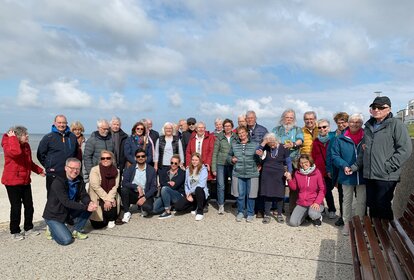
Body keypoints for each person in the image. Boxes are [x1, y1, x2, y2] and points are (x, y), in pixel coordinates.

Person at [350, 96, 412, 220]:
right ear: (370, 110)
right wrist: (355, 166)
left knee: (383, 205)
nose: (377, 110)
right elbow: (364, 149)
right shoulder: (368, 126)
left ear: (388, 109)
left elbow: (405, 149)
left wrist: (388, 166)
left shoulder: (396, 125)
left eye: (381, 107)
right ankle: (375, 234)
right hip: (370, 175)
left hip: (386, 176)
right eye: (374, 107)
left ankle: (387, 235)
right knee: (372, 206)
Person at [2, 126, 45, 240]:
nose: (28, 136)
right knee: (16, 207)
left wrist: (39, 171)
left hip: (25, 180)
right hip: (12, 181)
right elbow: (15, 153)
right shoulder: (8, 144)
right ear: (17, 136)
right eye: (25, 134)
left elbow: (29, 162)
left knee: (29, 205)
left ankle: (28, 228)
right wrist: (12, 139)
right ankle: (15, 231)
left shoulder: (26, 146)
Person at [43, 158, 98, 245]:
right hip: (54, 215)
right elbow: (66, 202)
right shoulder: (58, 182)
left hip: (68, 212)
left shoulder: (79, 179)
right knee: (66, 240)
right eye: (71, 168)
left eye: (77, 169)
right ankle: (51, 229)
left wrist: (89, 203)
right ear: (65, 168)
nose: (75, 171)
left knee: (90, 208)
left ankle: (76, 230)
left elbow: (83, 195)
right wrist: (85, 206)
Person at [332, 114, 366, 235]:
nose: (355, 124)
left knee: (361, 201)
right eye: (352, 121)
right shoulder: (340, 138)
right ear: (348, 123)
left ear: (362, 123)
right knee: (347, 200)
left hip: (362, 174)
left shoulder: (366, 136)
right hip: (346, 174)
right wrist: (344, 165)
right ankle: (346, 223)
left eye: (358, 122)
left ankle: (359, 223)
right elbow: (335, 156)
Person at [272, 109, 303, 215]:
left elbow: (300, 140)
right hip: (279, 161)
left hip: (293, 160)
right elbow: (271, 140)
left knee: (293, 186)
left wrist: (293, 144)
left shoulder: (297, 129)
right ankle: (277, 207)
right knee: (277, 184)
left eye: (291, 117)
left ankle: (293, 209)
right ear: (283, 118)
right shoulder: (276, 129)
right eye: (287, 117)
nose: (289, 120)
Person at [37, 115, 78, 197]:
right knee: (53, 198)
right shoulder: (48, 137)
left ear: (67, 123)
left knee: (68, 197)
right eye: (59, 122)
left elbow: (75, 153)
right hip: (53, 173)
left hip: (69, 173)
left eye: (64, 123)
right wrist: (49, 166)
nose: (61, 125)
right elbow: (40, 154)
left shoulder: (72, 137)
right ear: (54, 123)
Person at [256, 133, 292, 224]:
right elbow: (257, 151)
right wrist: (264, 142)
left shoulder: (283, 148)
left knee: (279, 194)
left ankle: (279, 214)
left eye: (273, 142)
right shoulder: (266, 147)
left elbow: (288, 162)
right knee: (267, 194)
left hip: (279, 173)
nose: (272, 145)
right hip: (266, 173)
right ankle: (267, 214)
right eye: (270, 143)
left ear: (277, 140)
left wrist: (290, 172)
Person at [228, 126, 261, 222]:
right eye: (239, 133)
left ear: (247, 133)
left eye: (243, 132)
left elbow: (259, 159)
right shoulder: (234, 145)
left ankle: (250, 213)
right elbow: (228, 156)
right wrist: (231, 159)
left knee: (251, 194)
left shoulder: (255, 144)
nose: (241, 135)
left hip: (252, 173)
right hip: (238, 173)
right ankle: (240, 212)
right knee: (240, 194)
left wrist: (259, 161)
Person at [286, 154, 326, 227]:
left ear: (310, 162)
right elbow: (294, 188)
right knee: (293, 223)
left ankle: (318, 217)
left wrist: (317, 202)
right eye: (301, 163)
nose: (304, 164)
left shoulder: (317, 173)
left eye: (306, 162)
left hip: (314, 202)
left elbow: (322, 189)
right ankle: (306, 215)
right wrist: (289, 179)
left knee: (313, 214)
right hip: (302, 202)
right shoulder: (297, 173)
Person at [121, 148, 157, 222]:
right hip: (134, 193)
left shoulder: (151, 170)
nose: (140, 158)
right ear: (135, 158)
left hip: (145, 194)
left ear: (146, 157)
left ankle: (142, 207)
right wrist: (136, 186)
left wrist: (145, 197)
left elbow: (154, 187)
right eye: (138, 156)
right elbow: (124, 182)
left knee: (148, 208)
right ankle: (127, 212)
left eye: (143, 156)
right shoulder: (131, 168)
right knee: (124, 190)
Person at [326, 112, 349, 226]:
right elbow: (329, 153)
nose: (341, 125)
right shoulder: (333, 135)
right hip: (338, 170)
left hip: (352, 168)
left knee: (356, 195)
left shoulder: (352, 133)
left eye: (343, 122)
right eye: (338, 123)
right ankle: (343, 217)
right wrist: (329, 169)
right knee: (341, 194)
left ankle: (357, 218)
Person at [88, 150, 120, 229]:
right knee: (98, 225)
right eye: (103, 158)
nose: (105, 160)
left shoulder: (116, 171)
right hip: (98, 197)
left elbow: (115, 186)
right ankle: (105, 218)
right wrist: (107, 199)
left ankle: (112, 219)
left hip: (111, 196)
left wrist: (109, 199)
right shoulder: (94, 170)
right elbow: (96, 187)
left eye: (108, 158)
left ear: (112, 159)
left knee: (111, 205)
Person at [311, 119, 336, 219]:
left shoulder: (334, 139)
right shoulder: (316, 142)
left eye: (324, 127)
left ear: (329, 128)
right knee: (325, 190)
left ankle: (332, 209)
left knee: (329, 190)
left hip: (331, 170)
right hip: (320, 171)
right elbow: (313, 156)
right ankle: (330, 209)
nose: (322, 129)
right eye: (320, 127)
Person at [212, 119, 237, 214]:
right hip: (221, 164)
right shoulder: (219, 137)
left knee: (235, 184)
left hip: (232, 164)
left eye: (229, 126)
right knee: (221, 185)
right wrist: (214, 168)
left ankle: (238, 203)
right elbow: (215, 153)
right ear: (223, 127)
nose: (227, 128)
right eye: (225, 126)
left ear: (232, 127)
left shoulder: (236, 137)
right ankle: (221, 205)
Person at [174, 153, 209, 221]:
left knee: (198, 189)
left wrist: (190, 192)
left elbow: (201, 185)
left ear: (199, 160)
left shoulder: (203, 169)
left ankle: (200, 212)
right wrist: (187, 194)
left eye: (196, 160)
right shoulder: (188, 169)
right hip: (191, 194)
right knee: (177, 207)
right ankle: (194, 205)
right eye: (193, 160)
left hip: (201, 194)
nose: (194, 161)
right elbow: (186, 184)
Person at [153, 154, 186, 219]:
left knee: (165, 188)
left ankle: (167, 212)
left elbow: (175, 186)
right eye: (172, 162)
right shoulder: (165, 171)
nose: (173, 164)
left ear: (179, 164)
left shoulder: (182, 173)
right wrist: (169, 183)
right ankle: (170, 206)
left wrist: (166, 184)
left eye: (175, 163)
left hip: (177, 195)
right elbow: (161, 183)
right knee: (154, 209)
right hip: (165, 194)